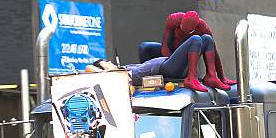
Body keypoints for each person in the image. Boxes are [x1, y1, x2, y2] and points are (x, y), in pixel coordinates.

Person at [139, 11, 236, 91]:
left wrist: (221, 77)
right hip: (170, 61)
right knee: (145, 47)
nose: (182, 33)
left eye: (187, 32)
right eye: (181, 29)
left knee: (206, 38)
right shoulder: (173, 19)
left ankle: (210, 77)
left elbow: (214, 53)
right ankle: (148, 78)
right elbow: (165, 45)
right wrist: (169, 63)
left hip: (187, 62)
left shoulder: (203, 28)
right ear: (181, 23)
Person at [87, 34, 219, 93]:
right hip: (167, 69)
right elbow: (89, 68)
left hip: (167, 62)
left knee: (206, 38)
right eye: (107, 63)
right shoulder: (119, 76)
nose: (109, 62)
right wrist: (103, 66)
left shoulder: (124, 68)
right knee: (195, 40)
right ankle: (192, 78)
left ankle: (212, 76)